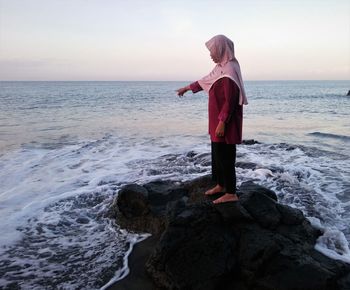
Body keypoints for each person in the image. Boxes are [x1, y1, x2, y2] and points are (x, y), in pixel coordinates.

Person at [176, 34, 248, 204]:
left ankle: (231, 192)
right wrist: (186, 88)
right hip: (217, 120)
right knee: (216, 154)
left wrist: (223, 122)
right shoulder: (220, 68)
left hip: (226, 122)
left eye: (212, 50)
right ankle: (221, 185)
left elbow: (230, 101)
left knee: (226, 156)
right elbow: (204, 81)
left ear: (221, 49)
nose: (210, 54)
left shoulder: (229, 70)